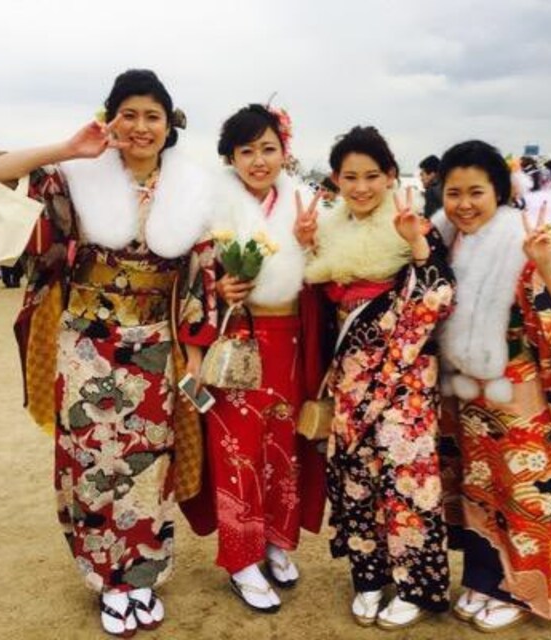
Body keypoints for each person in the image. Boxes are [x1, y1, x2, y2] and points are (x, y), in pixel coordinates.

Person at [0, 69, 217, 637]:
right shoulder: (77, 177)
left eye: (152, 116)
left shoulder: (191, 186)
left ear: (169, 124)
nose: (141, 127)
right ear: (110, 119)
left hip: (155, 346)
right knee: (92, 462)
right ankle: (108, 578)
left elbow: (201, 275)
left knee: (149, 462)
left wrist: (193, 356)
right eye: (128, 114)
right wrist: (69, 149)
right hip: (86, 344)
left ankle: (141, 574)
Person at [434, 140, 551, 632]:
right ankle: (484, 579)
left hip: (518, 394)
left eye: (476, 192)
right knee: (475, 489)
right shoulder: (443, 241)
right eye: (453, 192)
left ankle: (524, 590)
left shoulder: (523, 240)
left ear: (499, 191)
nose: (464, 204)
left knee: (523, 491)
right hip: (463, 394)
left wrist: (547, 265)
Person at [298, 126, 455, 629]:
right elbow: (322, 306)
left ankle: (414, 584)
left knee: (408, 477)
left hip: (404, 376)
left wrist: (416, 244)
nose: (361, 187)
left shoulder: (412, 224)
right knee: (357, 477)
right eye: (350, 177)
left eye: (371, 176)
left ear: (390, 176)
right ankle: (368, 575)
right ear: (336, 180)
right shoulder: (329, 230)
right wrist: (307, 249)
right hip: (349, 375)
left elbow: (437, 299)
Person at [180, 104, 326, 614]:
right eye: (247, 150)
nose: (259, 160)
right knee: (236, 449)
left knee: (284, 445)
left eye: (269, 149)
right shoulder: (211, 207)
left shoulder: (304, 203)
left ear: (285, 152)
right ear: (231, 157)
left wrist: (311, 246)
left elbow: (327, 278)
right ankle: (241, 557)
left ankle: (277, 541)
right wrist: (218, 287)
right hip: (236, 340)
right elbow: (189, 274)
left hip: (291, 340)